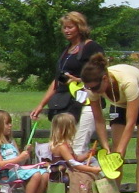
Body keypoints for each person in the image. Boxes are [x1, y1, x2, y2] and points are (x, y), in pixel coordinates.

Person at [82, 53, 139, 193]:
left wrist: (120, 150)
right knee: (114, 153)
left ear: (105, 78)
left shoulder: (128, 81)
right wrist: (107, 148)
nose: (93, 91)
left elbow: (131, 122)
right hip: (120, 104)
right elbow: (99, 120)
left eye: (95, 88)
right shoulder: (93, 90)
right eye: (89, 88)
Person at [30, 12, 103, 156]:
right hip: (66, 103)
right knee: (65, 147)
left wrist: (79, 80)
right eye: (64, 28)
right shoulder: (66, 51)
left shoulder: (91, 47)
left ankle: (83, 176)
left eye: (70, 27)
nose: (67, 31)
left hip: (87, 102)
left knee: (78, 147)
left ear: (80, 27)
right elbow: (58, 80)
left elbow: (102, 74)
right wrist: (41, 104)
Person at [49, 111, 101, 193]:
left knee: (87, 174)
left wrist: (87, 155)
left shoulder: (66, 145)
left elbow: (75, 159)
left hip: (69, 169)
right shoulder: (61, 147)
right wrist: (91, 169)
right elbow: (74, 164)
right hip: (61, 172)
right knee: (82, 175)